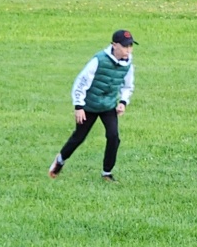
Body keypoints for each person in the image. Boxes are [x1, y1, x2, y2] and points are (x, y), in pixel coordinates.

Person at [49, 29, 135, 180]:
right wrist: (78, 107)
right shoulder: (98, 60)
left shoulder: (128, 64)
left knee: (113, 136)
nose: (128, 50)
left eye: (130, 46)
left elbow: (127, 86)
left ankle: (107, 173)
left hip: (108, 106)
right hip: (89, 105)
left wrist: (123, 102)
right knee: (79, 137)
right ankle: (60, 160)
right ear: (114, 45)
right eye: (125, 46)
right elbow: (80, 83)